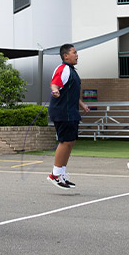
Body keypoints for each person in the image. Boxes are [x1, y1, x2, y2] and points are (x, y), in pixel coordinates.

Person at [47, 43, 89, 189]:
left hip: (71, 112)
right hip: (62, 111)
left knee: (70, 142)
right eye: (74, 52)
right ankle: (55, 174)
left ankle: (61, 173)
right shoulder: (63, 68)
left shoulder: (72, 71)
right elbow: (54, 84)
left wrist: (82, 105)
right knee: (65, 142)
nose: (77, 55)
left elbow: (71, 93)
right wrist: (55, 90)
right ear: (66, 56)